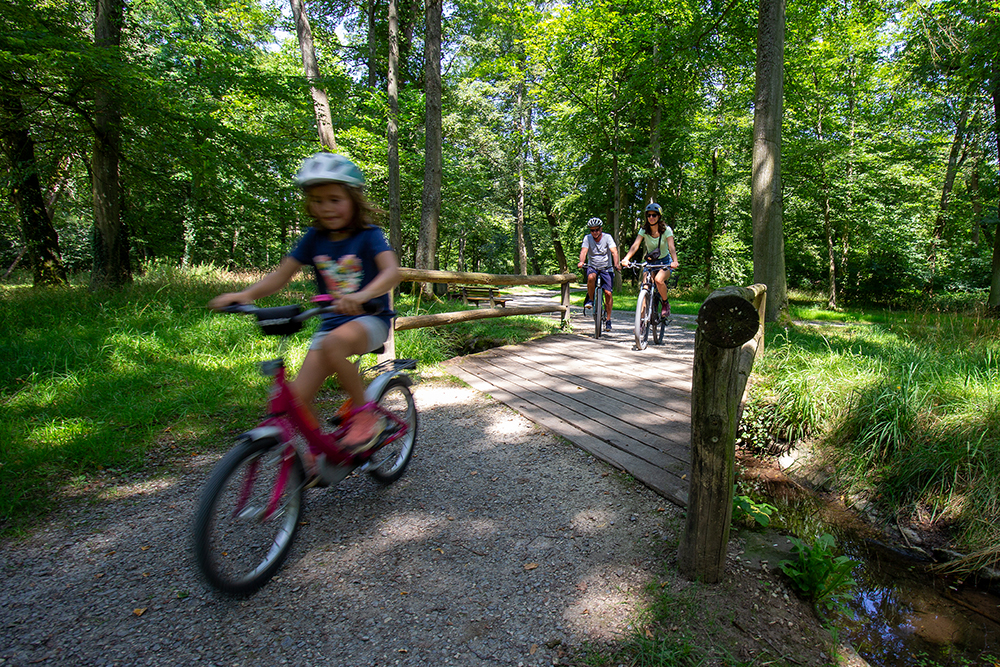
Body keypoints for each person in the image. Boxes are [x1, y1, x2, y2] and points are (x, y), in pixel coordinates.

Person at [208, 152, 400, 453]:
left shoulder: (368, 236)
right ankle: (316, 455)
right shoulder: (313, 238)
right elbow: (281, 275)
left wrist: (362, 296)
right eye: (318, 200)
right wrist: (245, 295)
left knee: (333, 344)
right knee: (294, 400)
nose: (326, 208)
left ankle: (366, 415)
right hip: (331, 326)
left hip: (370, 320)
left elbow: (392, 270)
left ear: (353, 199)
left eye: (335, 199)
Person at [621, 202, 679, 319]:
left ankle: (665, 303)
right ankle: (641, 321)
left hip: (665, 262)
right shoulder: (644, 230)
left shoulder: (666, 230)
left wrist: (675, 261)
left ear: (659, 216)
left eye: (654, 215)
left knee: (658, 280)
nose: (651, 218)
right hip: (651, 262)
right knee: (645, 286)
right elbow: (635, 245)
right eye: (649, 215)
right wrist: (626, 258)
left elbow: (671, 247)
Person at [577, 217, 621, 331]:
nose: (595, 232)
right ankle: (591, 300)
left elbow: (614, 251)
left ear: (601, 229)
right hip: (593, 266)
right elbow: (584, 251)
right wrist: (582, 261)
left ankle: (608, 319)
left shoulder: (607, 238)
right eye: (592, 230)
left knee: (608, 293)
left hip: (607, 268)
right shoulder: (587, 238)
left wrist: (616, 264)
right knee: (591, 277)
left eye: (597, 230)